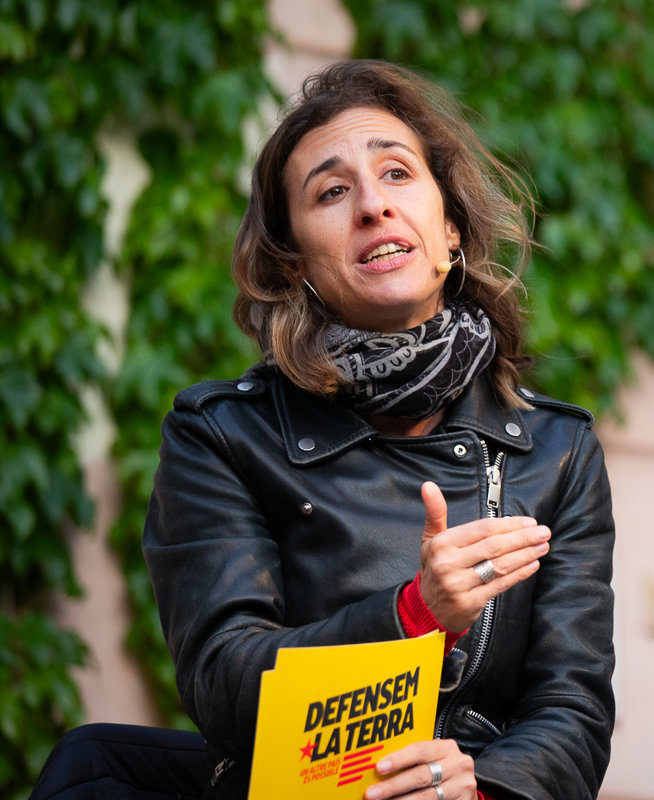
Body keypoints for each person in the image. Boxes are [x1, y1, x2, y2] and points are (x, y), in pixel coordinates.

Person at [131, 59, 615, 800]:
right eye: (331, 191)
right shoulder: (222, 436)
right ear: (294, 266)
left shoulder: (557, 450)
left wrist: (479, 788)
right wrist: (415, 615)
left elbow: (572, 707)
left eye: (396, 174)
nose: (372, 206)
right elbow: (225, 687)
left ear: (450, 230)